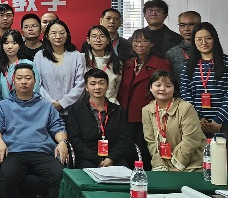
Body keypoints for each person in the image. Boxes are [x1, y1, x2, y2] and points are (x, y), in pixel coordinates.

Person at [0, 61, 67, 198]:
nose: (23, 81)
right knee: (7, 175)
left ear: (35, 81)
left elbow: (58, 126)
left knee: (60, 175)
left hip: (41, 152)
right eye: (19, 78)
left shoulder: (46, 106)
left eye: (28, 78)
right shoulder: (3, 105)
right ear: (13, 81)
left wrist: (62, 141)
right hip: (15, 152)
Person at [181, 22, 228, 172]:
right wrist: (197, 119)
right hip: (198, 124)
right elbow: (186, 95)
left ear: (215, 39)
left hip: (227, 123)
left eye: (208, 38)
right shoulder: (188, 66)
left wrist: (218, 120)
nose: (204, 42)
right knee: (202, 166)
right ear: (194, 42)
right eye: (199, 39)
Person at [117, 28, 172, 169]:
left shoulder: (161, 64)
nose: (139, 44)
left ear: (152, 43)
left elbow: (166, 90)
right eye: (136, 41)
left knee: (146, 151)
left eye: (144, 41)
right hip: (127, 113)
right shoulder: (128, 64)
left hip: (150, 114)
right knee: (129, 150)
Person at [66, 68, 132, 168]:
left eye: (101, 83)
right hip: (87, 158)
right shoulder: (76, 110)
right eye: (93, 84)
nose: (97, 87)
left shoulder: (118, 111)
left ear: (107, 86)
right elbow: (75, 139)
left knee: (124, 172)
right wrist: (96, 159)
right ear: (86, 87)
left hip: (113, 157)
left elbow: (124, 139)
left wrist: (111, 158)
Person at [143, 71, 206, 172]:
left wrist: (177, 166)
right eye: (158, 85)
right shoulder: (146, 110)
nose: (162, 89)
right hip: (163, 165)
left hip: (191, 166)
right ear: (151, 87)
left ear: (174, 89)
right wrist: (160, 166)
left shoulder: (186, 108)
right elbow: (151, 142)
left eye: (168, 86)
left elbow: (191, 140)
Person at [34, 20, 85, 116]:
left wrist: (62, 103)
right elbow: (36, 83)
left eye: (62, 33)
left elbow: (81, 84)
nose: (58, 36)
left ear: (67, 35)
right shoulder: (39, 56)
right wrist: (51, 103)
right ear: (47, 36)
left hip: (73, 111)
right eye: (53, 33)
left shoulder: (76, 56)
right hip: (46, 109)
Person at [81, 25, 122, 103]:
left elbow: (117, 89)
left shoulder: (116, 63)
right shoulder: (81, 59)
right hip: (85, 105)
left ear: (108, 41)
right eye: (94, 36)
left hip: (110, 105)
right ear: (88, 40)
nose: (98, 40)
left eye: (102, 36)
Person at [0, 29, 40, 100]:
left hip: (27, 104)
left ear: (20, 45)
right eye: (6, 43)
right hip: (4, 105)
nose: (10, 46)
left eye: (14, 43)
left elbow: (36, 87)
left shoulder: (28, 64)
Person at [165, 11, 202, 80]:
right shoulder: (172, 53)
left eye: (191, 24)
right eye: (182, 25)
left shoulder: (208, 50)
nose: (186, 29)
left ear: (200, 26)